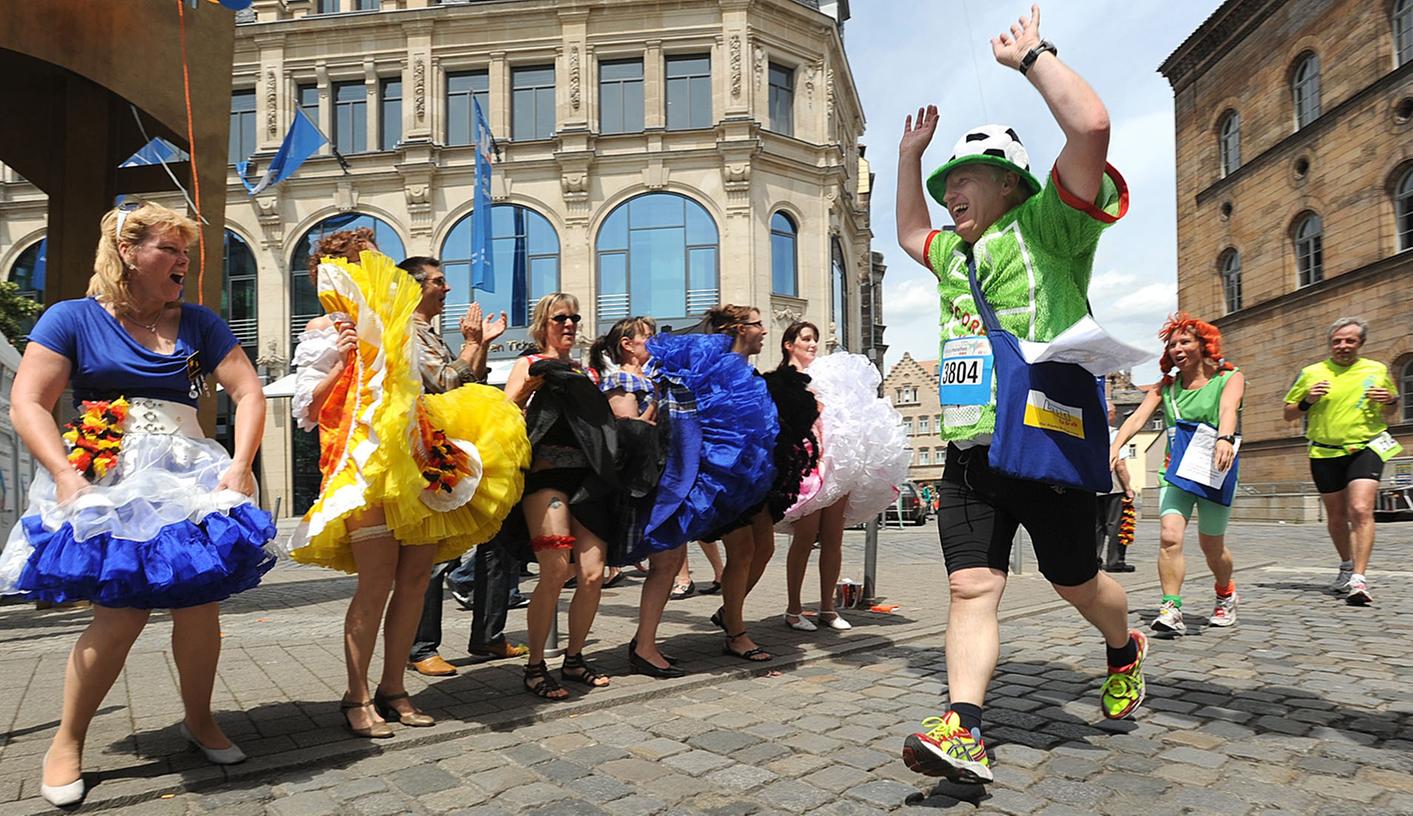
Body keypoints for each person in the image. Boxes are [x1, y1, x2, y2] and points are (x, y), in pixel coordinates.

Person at [894, 4, 1145, 785]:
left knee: (1077, 581)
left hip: (1043, 440)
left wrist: (1031, 56)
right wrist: (911, 156)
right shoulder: (951, 253)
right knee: (971, 585)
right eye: (944, 185)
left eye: (960, 179)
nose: (948, 194)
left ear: (1007, 183)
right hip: (972, 454)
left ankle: (1122, 645)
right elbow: (907, 234)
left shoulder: (1048, 226)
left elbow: (1092, 130)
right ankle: (964, 727)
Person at [0, 201, 277, 807]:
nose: (184, 261)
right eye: (170, 250)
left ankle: (199, 720)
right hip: (113, 477)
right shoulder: (71, 317)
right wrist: (64, 477)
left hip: (186, 472)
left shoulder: (200, 322)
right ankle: (66, 741)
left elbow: (249, 391)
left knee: (199, 604)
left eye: (185, 251)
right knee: (121, 612)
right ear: (128, 252)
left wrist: (241, 463)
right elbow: (28, 401)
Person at [285, 232, 527, 737]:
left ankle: (394, 687)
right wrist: (346, 359)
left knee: (416, 579)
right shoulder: (325, 327)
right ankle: (356, 695)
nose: (366, 273)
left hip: (417, 455)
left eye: (370, 263)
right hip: (366, 466)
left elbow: (436, 385)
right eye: (354, 265)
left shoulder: (401, 325)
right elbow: (306, 409)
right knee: (375, 583)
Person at [396, 257, 527, 677]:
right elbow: (444, 383)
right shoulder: (405, 331)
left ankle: (488, 635)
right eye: (438, 281)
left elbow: (467, 382)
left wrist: (482, 344)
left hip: (456, 449)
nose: (447, 289)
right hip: (427, 453)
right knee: (430, 550)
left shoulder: (430, 334)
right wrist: (471, 344)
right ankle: (420, 648)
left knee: (493, 535)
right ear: (415, 287)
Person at [642, 306, 780, 661]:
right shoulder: (714, 368)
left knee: (755, 549)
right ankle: (734, 632)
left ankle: (730, 619)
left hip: (746, 477)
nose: (763, 330)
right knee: (734, 553)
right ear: (738, 329)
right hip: (718, 479)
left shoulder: (742, 371)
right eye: (757, 324)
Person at [504, 293, 618, 699]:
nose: (568, 324)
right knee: (554, 570)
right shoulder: (529, 364)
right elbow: (504, 415)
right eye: (560, 318)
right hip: (546, 478)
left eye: (574, 317)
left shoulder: (587, 372)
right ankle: (534, 667)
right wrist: (527, 392)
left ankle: (573, 659)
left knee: (592, 574)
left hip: (586, 482)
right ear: (543, 324)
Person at [1112, 314, 1244, 634]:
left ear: (1203, 344)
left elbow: (1228, 409)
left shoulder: (1229, 377)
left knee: (1212, 546)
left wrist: (1225, 438)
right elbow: (1137, 419)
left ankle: (1225, 593)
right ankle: (1171, 607)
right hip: (1176, 472)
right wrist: (1115, 445)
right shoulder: (1165, 388)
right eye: (1172, 344)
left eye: (1185, 341)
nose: (1177, 349)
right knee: (1169, 536)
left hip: (1216, 469)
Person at [778, 322, 910, 632]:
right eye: (806, 339)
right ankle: (794, 608)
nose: (812, 344)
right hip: (806, 465)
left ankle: (828, 608)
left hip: (837, 462)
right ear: (789, 344)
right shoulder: (784, 380)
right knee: (805, 537)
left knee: (834, 539)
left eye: (815, 339)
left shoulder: (828, 378)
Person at [589, 316, 687, 678]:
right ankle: (643, 647)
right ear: (627, 345)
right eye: (646, 336)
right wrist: (658, 403)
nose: (654, 340)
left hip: (664, 477)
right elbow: (630, 429)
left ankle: (646, 641)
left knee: (671, 559)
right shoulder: (619, 379)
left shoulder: (653, 376)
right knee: (665, 560)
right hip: (642, 484)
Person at [1283, 317, 1401, 605]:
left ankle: (1359, 580)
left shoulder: (1377, 370)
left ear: (1360, 343)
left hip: (1366, 446)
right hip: (1324, 451)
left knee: (1360, 509)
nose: (1343, 346)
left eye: (1350, 341)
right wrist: (1308, 400)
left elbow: (1392, 409)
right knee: (1336, 516)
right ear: (1330, 343)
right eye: (1337, 341)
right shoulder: (1312, 372)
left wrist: (1390, 400)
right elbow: (1288, 413)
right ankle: (1346, 565)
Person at [1098, 405, 1136, 572]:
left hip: (1094, 486)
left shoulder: (1091, 431)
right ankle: (1115, 561)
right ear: (1110, 415)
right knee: (1115, 525)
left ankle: (1093, 560)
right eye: (1114, 412)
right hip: (1113, 486)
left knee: (1096, 525)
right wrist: (1128, 488)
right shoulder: (1116, 435)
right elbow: (1120, 465)